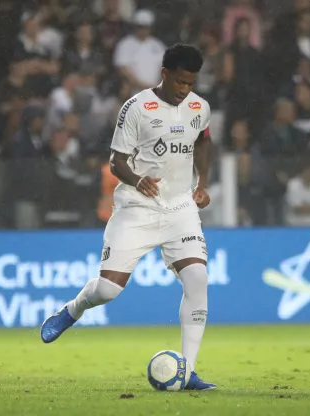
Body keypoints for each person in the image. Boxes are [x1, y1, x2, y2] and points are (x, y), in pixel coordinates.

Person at [40, 44, 216, 391]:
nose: (185, 90)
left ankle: (188, 372)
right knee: (107, 290)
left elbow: (204, 141)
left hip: (180, 208)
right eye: (180, 82)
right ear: (164, 74)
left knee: (198, 280)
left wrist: (203, 183)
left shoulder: (199, 107)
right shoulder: (137, 108)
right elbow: (116, 161)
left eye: (191, 83)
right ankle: (73, 310)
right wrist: (138, 180)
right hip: (137, 207)